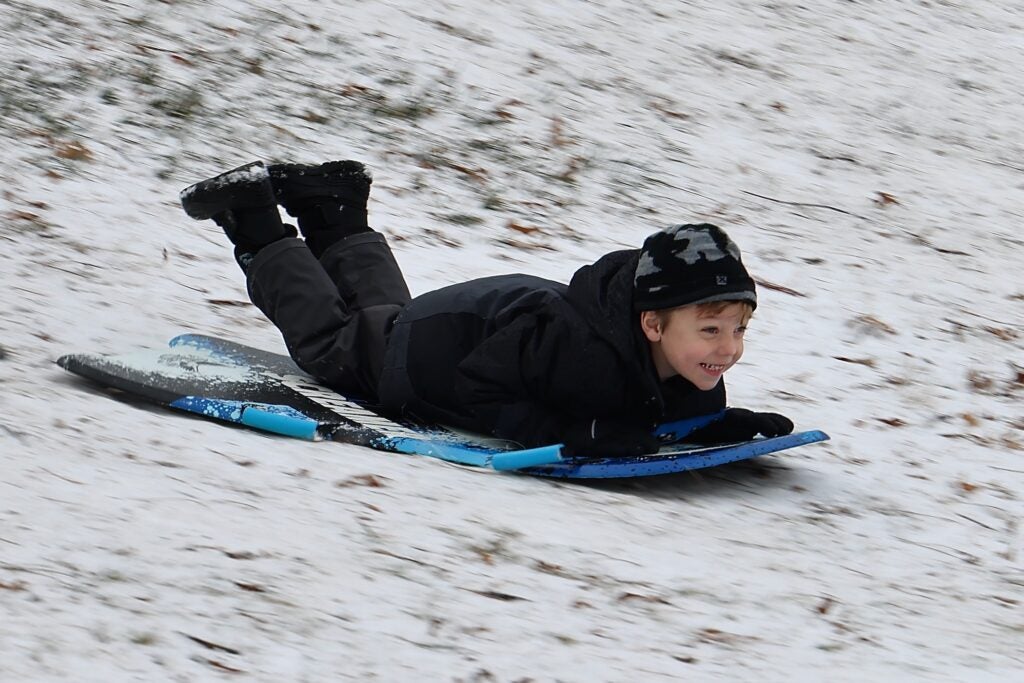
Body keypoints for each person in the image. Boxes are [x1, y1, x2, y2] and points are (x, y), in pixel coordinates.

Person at [179, 159, 793, 456]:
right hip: (427, 360)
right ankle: (254, 221)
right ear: (652, 323)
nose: (727, 348)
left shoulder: (683, 359)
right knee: (336, 345)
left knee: (383, 316)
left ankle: (332, 209)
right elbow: (481, 389)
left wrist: (717, 424)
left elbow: (670, 409)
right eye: (711, 329)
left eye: (740, 329)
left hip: (468, 323)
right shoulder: (578, 351)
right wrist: (572, 435)